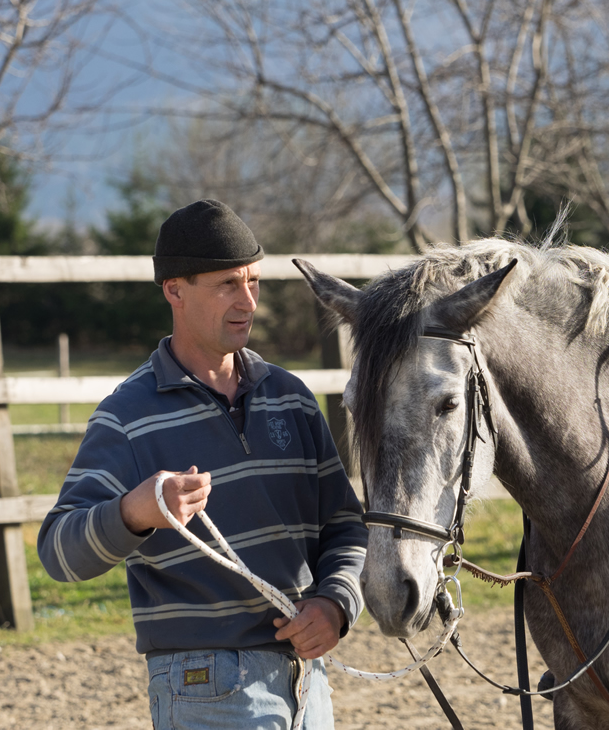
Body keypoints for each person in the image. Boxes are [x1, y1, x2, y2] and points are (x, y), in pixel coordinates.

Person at [38, 199, 367, 730]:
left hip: (309, 683)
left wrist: (335, 604)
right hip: (200, 688)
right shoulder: (127, 416)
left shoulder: (292, 399)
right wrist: (135, 513)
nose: (248, 301)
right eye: (227, 285)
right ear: (174, 290)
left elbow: (346, 526)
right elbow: (58, 553)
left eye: (254, 281)